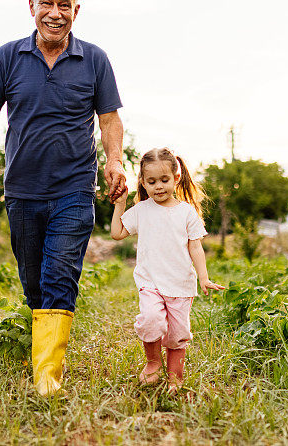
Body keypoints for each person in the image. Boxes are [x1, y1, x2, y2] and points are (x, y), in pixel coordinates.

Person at [0, 0, 127, 396]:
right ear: (32, 7)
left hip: (75, 189)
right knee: (34, 282)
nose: (55, 13)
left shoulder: (95, 60)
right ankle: (43, 347)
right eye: (47, 3)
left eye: (65, 5)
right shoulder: (7, 57)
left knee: (59, 275)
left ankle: (47, 381)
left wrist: (114, 162)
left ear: (76, 11)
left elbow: (110, 119)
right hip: (23, 192)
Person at [110, 148, 225, 393]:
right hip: (150, 281)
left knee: (177, 335)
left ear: (176, 178)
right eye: (151, 182)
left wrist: (203, 277)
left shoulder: (186, 212)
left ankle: (175, 377)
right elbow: (117, 233)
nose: (158, 186)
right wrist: (120, 205)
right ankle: (152, 363)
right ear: (143, 182)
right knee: (151, 321)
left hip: (181, 285)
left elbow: (195, 247)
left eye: (164, 180)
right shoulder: (142, 210)